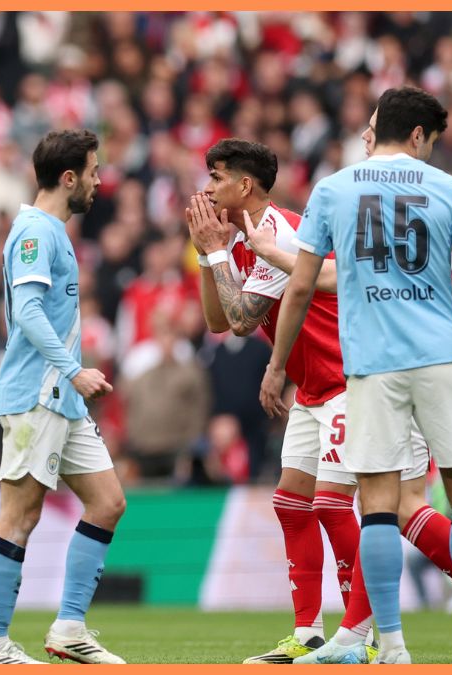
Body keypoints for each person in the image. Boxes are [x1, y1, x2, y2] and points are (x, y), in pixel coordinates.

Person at [259, 86, 452, 664]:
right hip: (443, 360)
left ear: (382, 128)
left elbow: (302, 285)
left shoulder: (332, 190)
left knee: (377, 506)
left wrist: (277, 365)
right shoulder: (449, 189)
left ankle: (392, 648)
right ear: (422, 135)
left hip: (373, 366)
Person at [186, 138, 359, 664]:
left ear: (245, 185)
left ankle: (363, 634)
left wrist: (216, 252)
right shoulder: (237, 237)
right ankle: (307, 633)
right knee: (290, 503)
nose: (208, 188)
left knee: (332, 507)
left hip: (348, 378)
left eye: (217, 178)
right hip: (310, 386)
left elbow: (241, 319)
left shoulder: (278, 231)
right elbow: (218, 322)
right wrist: (205, 253)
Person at [0, 129, 126, 665]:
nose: (98, 180)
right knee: (19, 515)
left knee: (108, 502)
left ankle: (69, 628)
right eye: (93, 170)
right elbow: (29, 313)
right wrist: (74, 369)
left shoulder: (51, 231)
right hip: (37, 392)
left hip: (61, 396)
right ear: (69, 178)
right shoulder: (35, 231)